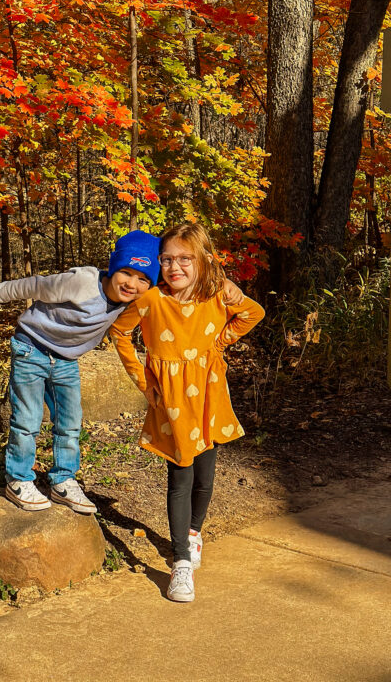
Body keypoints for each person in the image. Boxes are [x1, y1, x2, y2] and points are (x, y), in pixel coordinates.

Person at [109, 222, 264, 602]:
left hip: (209, 395)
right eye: (167, 260)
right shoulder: (152, 300)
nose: (174, 267)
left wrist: (219, 341)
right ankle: (179, 563)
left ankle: (193, 533)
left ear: (204, 261)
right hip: (173, 401)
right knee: (181, 475)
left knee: (205, 476)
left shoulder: (217, 296)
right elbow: (119, 333)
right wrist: (144, 384)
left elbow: (253, 313)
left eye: (184, 259)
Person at [0, 230, 161, 514]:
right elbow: (33, 286)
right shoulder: (81, 282)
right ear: (115, 266)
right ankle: (18, 479)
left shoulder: (132, 303)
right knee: (28, 419)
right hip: (31, 348)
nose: (132, 284)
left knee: (70, 422)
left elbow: (176, 290)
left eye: (143, 279)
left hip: (65, 360)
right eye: (127, 273)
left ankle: (63, 480)